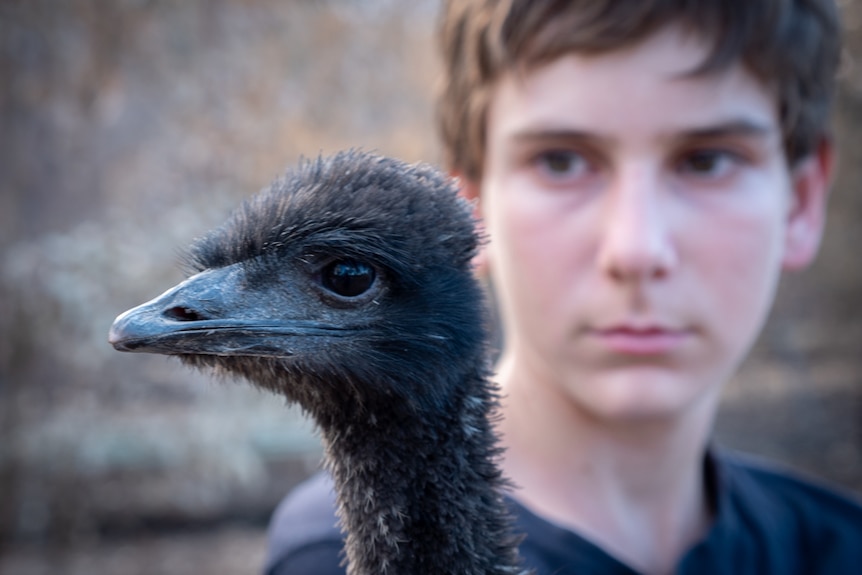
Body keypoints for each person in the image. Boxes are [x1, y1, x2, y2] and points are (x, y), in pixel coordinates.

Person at [264, 0, 862, 573]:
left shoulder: (842, 547)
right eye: (561, 161)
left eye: (706, 161)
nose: (636, 248)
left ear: (802, 203)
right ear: (467, 207)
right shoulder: (340, 556)